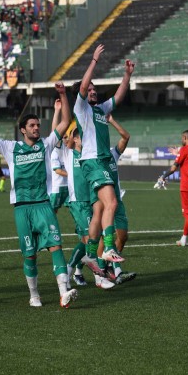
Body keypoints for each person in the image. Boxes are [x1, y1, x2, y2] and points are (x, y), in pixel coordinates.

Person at [0, 85, 78, 308]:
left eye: (38, 125)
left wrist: (63, 95)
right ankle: (34, 295)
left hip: (43, 205)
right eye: (32, 125)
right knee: (30, 255)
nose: (36, 128)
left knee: (56, 246)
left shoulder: (46, 144)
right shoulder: (10, 147)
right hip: (22, 208)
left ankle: (64, 292)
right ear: (23, 130)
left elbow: (65, 121)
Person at [74, 44, 134, 270]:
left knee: (100, 210)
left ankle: (91, 254)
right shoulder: (82, 109)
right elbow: (82, 86)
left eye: (94, 89)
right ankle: (108, 248)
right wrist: (94, 61)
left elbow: (118, 97)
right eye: (89, 89)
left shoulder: (101, 109)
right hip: (93, 161)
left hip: (102, 162)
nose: (92, 91)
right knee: (112, 203)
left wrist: (127, 75)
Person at [53, 119, 115, 290]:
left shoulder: (90, 155)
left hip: (92, 202)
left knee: (86, 240)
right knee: (93, 240)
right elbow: (55, 134)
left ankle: (70, 271)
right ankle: (99, 277)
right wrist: (58, 112)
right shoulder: (68, 153)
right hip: (78, 202)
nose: (83, 140)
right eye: (80, 137)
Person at [98, 114, 137, 285]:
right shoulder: (93, 157)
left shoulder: (113, 153)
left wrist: (112, 120)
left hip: (117, 201)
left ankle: (109, 266)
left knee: (123, 236)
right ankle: (106, 271)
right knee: (103, 238)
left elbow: (126, 137)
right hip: (103, 201)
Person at [160, 129, 188, 249]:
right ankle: (183, 239)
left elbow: (174, 168)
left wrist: (163, 176)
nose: (181, 140)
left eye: (182, 138)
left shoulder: (184, 149)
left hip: (187, 186)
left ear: (185, 137)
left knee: (187, 214)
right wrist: (178, 153)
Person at [49, 113, 69, 213]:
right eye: (64, 137)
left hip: (69, 186)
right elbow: (58, 171)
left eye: (67, 137)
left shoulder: (69, 149)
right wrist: (57, 111)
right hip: (58, 187)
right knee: (52, 212)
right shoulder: (56, 151)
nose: (66, 139)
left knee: (76, 210)